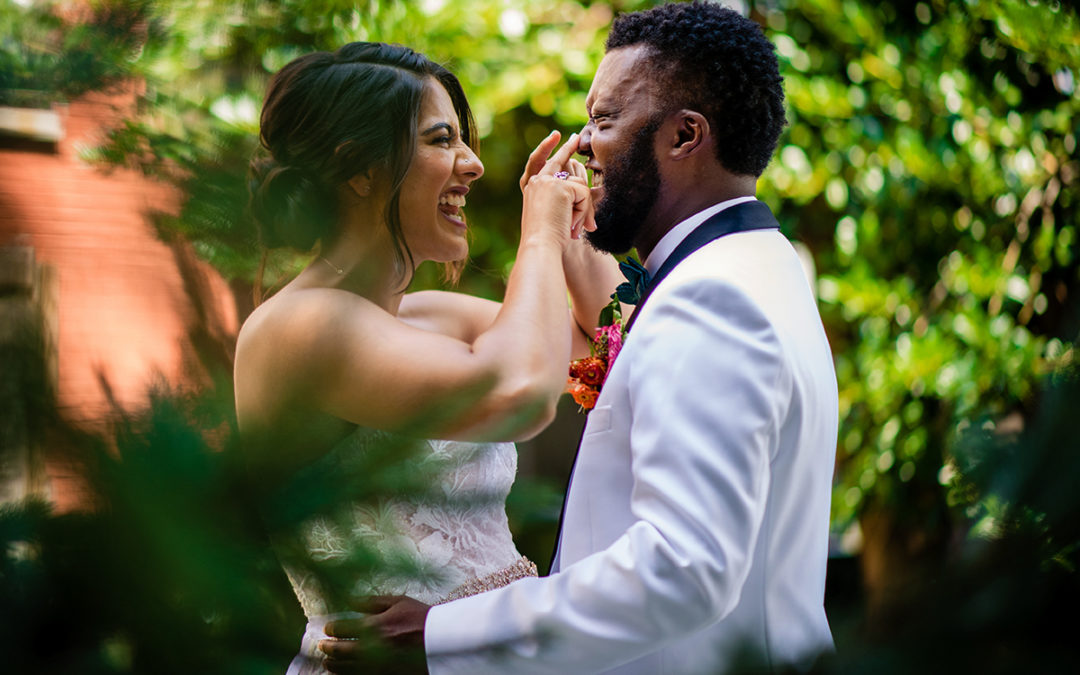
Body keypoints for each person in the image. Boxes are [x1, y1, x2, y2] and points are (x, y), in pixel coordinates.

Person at [322, 3, 839, 674]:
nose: (584, 145)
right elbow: (605, 349)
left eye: (603, 120)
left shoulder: (711, 300)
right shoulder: (757, 268)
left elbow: (685, 567)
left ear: (684, 136)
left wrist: (443, 633)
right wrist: (567, 241)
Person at [233, 41, 617, 675]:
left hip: (495, 655)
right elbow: (516, 394)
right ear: (359, 169)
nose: (472, 165)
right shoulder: (296, 327)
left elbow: (608, 355)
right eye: (442, 141)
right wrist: (538, 235)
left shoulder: (435, 316)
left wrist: (569, 230)